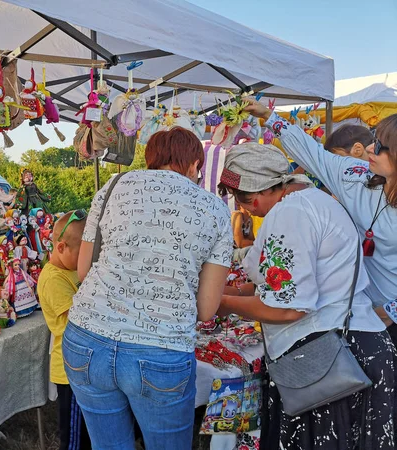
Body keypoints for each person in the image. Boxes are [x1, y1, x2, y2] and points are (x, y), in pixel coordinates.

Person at [63, 127, 233, 450]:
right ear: (195, 165)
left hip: (86, 337)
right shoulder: (215, 210)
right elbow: (207, 309)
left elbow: (84, 269)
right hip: (161, 351)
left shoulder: (113, 187)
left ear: (151, 159)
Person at [217, 142, 395, 450]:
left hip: (333, 360)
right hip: (352, 350)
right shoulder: (310, 201)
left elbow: (289, 308)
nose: (244, 208)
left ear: (255, 197)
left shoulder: (291, 214)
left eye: (242, 199)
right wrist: (228, 292)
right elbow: (280, 284)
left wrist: (219, 303)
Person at [245, 100, 397, 340]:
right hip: (362, 315)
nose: (370, 149)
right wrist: (270, 117)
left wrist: (391, 312)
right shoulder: (355, 177)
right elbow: (313, 154)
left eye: (379, 146)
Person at [37, 210, 91, 450]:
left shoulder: (72, 269)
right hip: (70, 371)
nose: (86, 261)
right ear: (60, 247)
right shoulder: (53, 279)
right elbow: (79, 321)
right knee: (73, 438)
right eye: (82, 254)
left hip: (85, 366)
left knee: (89, 433)